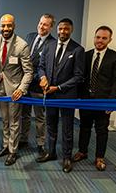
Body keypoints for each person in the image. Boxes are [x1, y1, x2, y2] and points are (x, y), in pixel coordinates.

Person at [73, 26, 116, 171]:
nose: (100, 40)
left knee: (102, 130)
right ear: (94, 37)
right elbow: (80, 78)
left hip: (104, 101)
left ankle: (99, 157)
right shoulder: (86, 55)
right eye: (98, 37)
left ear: (110, 39)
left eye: (104, 38)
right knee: (84, 127)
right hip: (86, 100)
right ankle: (82, 151)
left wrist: (112, 102)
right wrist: (77, 97)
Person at [37, 18, 85, 173]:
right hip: (49, 96)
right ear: (56, 30)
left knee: (67, 129)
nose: (63, 31)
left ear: (71, 30)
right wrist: (43, 77)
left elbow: (78, 76)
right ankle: (51, 153)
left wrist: (57, 88)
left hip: (66, 96)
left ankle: (66, 158)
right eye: (60, 29)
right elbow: (41, 66)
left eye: (66, 29)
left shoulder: (77, 50)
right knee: (50, 125)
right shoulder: (49, 46)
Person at [0, 14, 33, 166]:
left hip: (15, 90)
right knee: (5, 120)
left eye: (9, 25)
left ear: (14, 26)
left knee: (14, 121)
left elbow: (28, 71)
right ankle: (5, 146)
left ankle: (12, 151)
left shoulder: (22, 45)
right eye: (3, 25)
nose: (5, 28)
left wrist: (21, 89)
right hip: (0, 86)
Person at [20, 14, 56, 157]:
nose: (42, 26)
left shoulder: (53, 43)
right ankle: (23, 139)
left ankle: (41, 144)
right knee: (24, 115)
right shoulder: (29, 36)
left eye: (45, 24)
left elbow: (48, 67)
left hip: (39, 86)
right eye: (40, 23)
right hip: (25, 85)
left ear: (51, 27)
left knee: (40, 117)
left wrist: (35, 77)